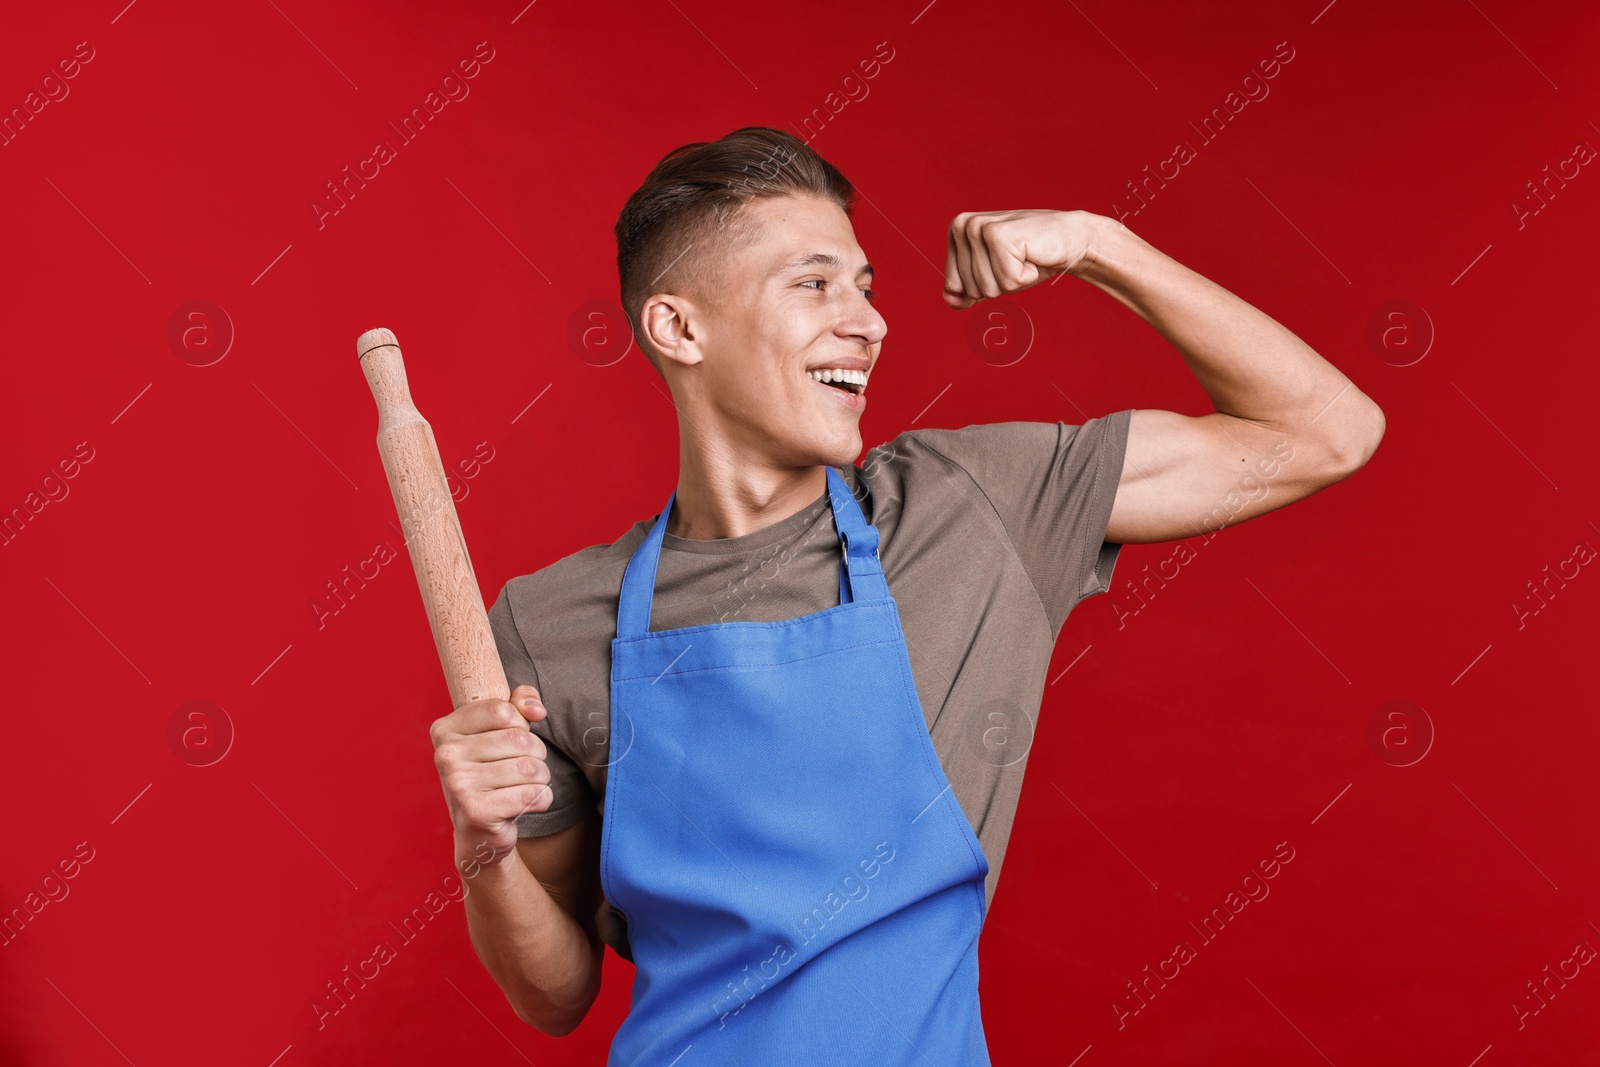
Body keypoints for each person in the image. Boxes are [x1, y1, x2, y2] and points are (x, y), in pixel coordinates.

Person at [428, 126, 1384, 1061]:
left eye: (865, 286)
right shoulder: (548, 622)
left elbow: (1328, 431)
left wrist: (1102, 243)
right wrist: (485, 847)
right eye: (813, 284)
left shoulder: (973, 506)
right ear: (680, 327)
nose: (870, 320)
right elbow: (555, 994)